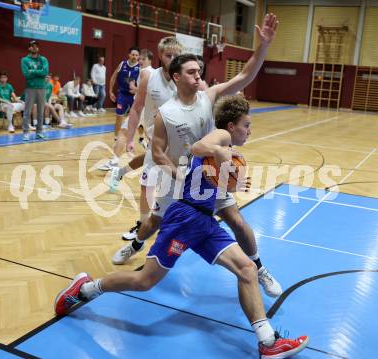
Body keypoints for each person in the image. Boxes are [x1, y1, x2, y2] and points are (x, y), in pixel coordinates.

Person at [54, 95, 309, 359]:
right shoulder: (220, 136)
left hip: (204, 220)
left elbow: (215, 179)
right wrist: (222, 152)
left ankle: (268, 343)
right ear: (231, 126)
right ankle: (84, 289)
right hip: (185, 216)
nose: (249, 130)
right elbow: (198, 147)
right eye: (246, 124)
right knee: (144, 281)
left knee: (246, 269)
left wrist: (232, 181)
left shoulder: (227, 145)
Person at [112, 14, 282, 298]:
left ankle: (259, 268)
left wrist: (263, 46)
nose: (199, 76)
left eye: (199, 71)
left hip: (209, 177)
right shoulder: (165, 109)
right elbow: (156, 151)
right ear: (178, 76)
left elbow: (245, 75)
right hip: (176, 176)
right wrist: (177, 173)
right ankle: (136, 245)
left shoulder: (209, 96)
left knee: (237, 221)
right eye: (192, 72)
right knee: (155, 220)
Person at [108, 37, 182, 242]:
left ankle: (120, 172)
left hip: (179, 142)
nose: (173, 58)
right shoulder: (148, 75)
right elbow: (137, 107)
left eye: (177, 55)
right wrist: (130, 138)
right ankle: (142, 224)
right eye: (169, 55)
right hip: (156, 139)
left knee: (174, 187)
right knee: (147, 183)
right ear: (160, 55)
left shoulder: (184, 78)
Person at [99, 47, 140, 170]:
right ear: (129, 55)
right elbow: (113, 77)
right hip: (122, 94)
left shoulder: (141, 68)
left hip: (134, 95)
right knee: (119, 117)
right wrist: (110, 91)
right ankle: (117, 138)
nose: (134, 56)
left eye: (136, 55)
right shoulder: (122, 64)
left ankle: (140, 137)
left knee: (135, 119)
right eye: (133, 54)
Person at [21, 40, 49, 141]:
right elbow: (26, 74)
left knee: (41, 112)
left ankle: (39, 132)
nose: (34, 48)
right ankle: (25, 133)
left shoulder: (43, 59)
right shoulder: (24, 60)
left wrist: (32, 71)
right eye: (32, 46)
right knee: (27, 112)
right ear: (29, 48)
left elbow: (45, 72)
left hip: (42, 88)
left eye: (36, 46)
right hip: (30, 88)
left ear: (38, 48)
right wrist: (39, 73)